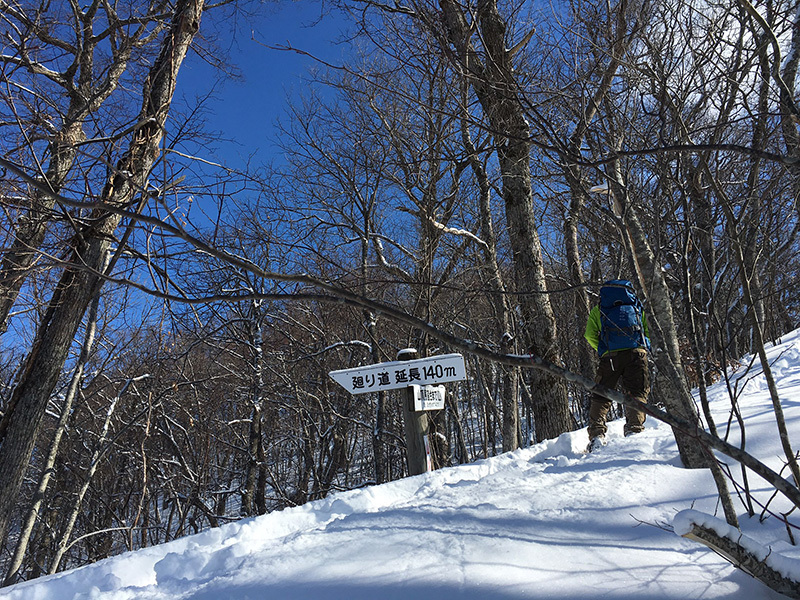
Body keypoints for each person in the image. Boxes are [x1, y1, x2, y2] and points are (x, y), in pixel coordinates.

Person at [584, 279, 651, 452]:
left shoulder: (599, 310)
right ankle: (634, 430)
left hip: (610, 357)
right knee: (637, 392)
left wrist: (603, 349)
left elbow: (589, 334)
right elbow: (648, 331)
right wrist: (644, 347)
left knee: (601, 394)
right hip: (637, 353)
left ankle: (597, 436)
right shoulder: (637, 307)